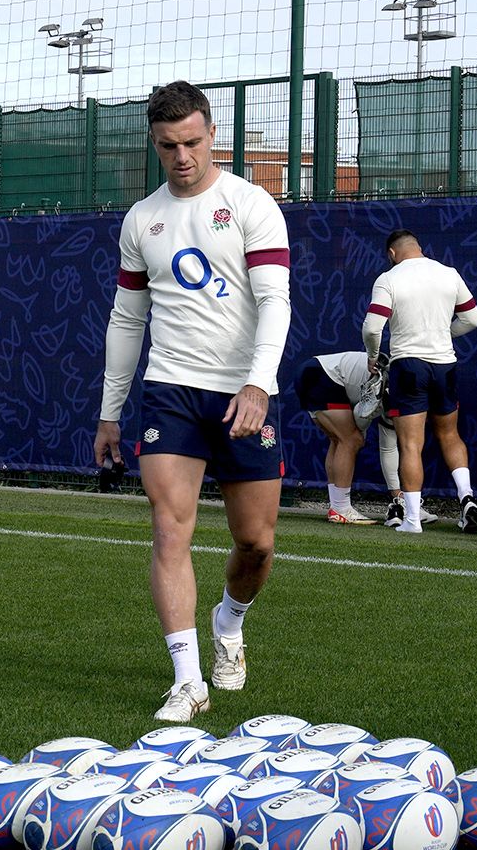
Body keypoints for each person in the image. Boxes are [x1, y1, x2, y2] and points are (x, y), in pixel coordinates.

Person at [94, 81, 292, 723]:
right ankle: (186, 678)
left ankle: (229, 622)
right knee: (168, 528)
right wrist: (110, 412)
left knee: (256, 543)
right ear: (155, 144)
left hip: (243, 393)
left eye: (193, 142)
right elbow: (126, 320)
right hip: (171, 390)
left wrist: (259, 384)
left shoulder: (251, 204)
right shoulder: (140, 220)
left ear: (212, 136)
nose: (182, 155)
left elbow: (274, 303)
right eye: (168, 145)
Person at [362, 229, 477, 534]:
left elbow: (372, 327)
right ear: (420, 247)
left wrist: (373, 355)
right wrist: (443, 333)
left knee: (410, 444)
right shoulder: (449, 273)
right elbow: (472, 319)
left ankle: (413, 519)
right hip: (445, 364)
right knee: (450, 435)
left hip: (409, 365)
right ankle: (467, 498)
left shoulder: (389, 278)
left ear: (392, 254)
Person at [294, 350, 410, 526]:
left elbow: (363, 419)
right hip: (323, 376)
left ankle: (337, 506)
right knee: (350, 440)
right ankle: (341, 508)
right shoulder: (394, 385)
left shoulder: (397, 379)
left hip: (313, 370)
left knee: (340, 440)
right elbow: (365, 424)